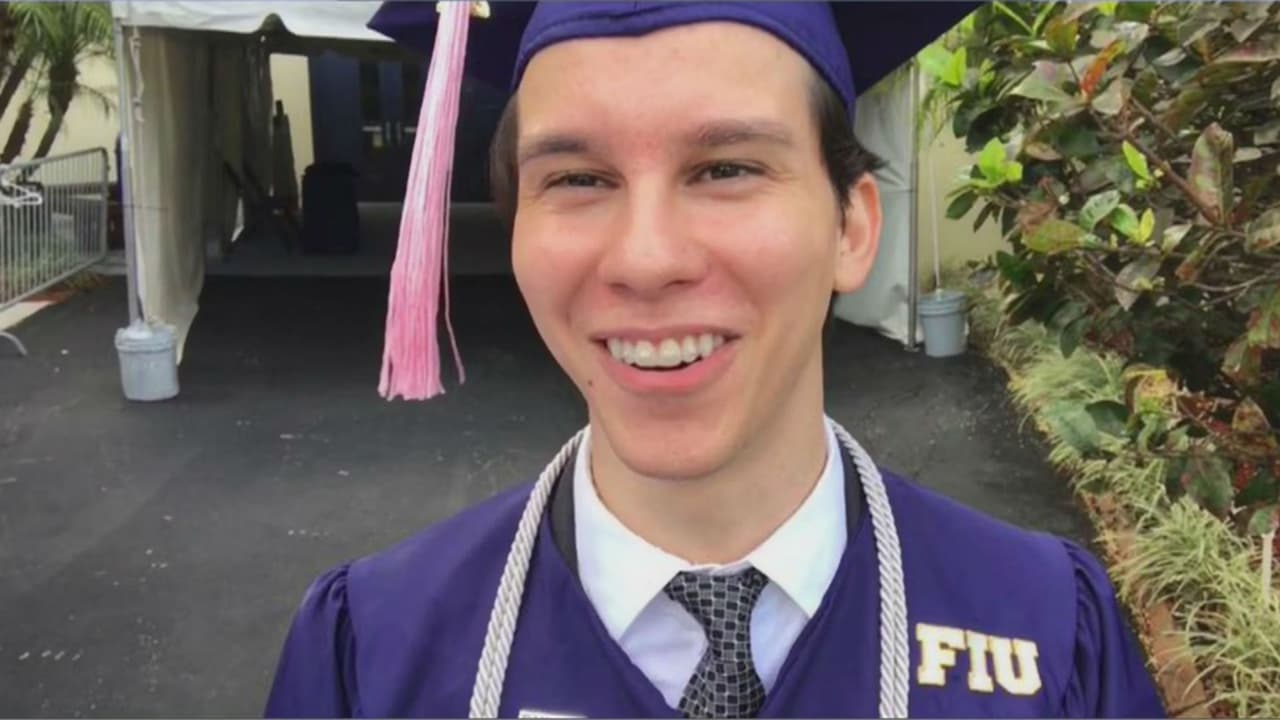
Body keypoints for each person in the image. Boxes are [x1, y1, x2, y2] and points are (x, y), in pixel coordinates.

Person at [265, 2, 1168, 717]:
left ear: (853, 228)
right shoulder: (375, 658)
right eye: (578, 180)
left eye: (726, 168)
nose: (646, 259)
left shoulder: (1050, 639)